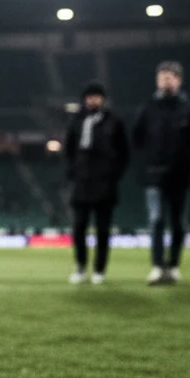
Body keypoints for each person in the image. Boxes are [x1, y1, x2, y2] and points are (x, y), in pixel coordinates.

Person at [132, 61, 190, 285]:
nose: (166, 80)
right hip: (154, 175)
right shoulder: (148, 106)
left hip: (181, 175)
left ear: (179, 80)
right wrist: (148, 161)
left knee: (177, 222)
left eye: (171, 76)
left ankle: (173, 266)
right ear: (157, 80)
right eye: (162, 76)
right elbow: (136, 137)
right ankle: (157, 266)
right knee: (156, 220)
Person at [65, 81, 129, 285]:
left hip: (105, 184)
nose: (93, 100)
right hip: (82, 183)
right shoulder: (76, 121)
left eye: (97, 96)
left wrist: (114, 175)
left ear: (103, 99)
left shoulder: (114, 121)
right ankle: (81, 267)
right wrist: (72, 172)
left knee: (103, 230)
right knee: (79, 228)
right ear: (85, 99)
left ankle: (100, 270)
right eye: (90, 96)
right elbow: (68, 149)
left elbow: (124, 152)